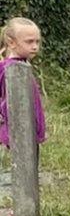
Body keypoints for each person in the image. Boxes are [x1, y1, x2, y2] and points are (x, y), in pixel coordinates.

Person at [0, 18, 46, 148]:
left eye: (37, 41)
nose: (35, 46)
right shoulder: (9, 69)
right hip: (18, 132)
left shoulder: (23, 66)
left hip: (29, 132)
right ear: (11, 42)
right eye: (29, 42)